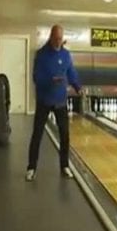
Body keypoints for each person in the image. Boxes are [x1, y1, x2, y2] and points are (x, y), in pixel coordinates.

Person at [26, 25, 81, 182]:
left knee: (65, 135)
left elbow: (71, 72)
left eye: (60, 39)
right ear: (50, 37)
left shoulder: (66, 54)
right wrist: (51, 80)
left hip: (60, 101)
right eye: (56, 38)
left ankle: (64, 166)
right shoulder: (41, 55)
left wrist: (77, 87)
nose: (58, 41)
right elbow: (36, 77)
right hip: (44, 100)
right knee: (37, 135)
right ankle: (31, 168)